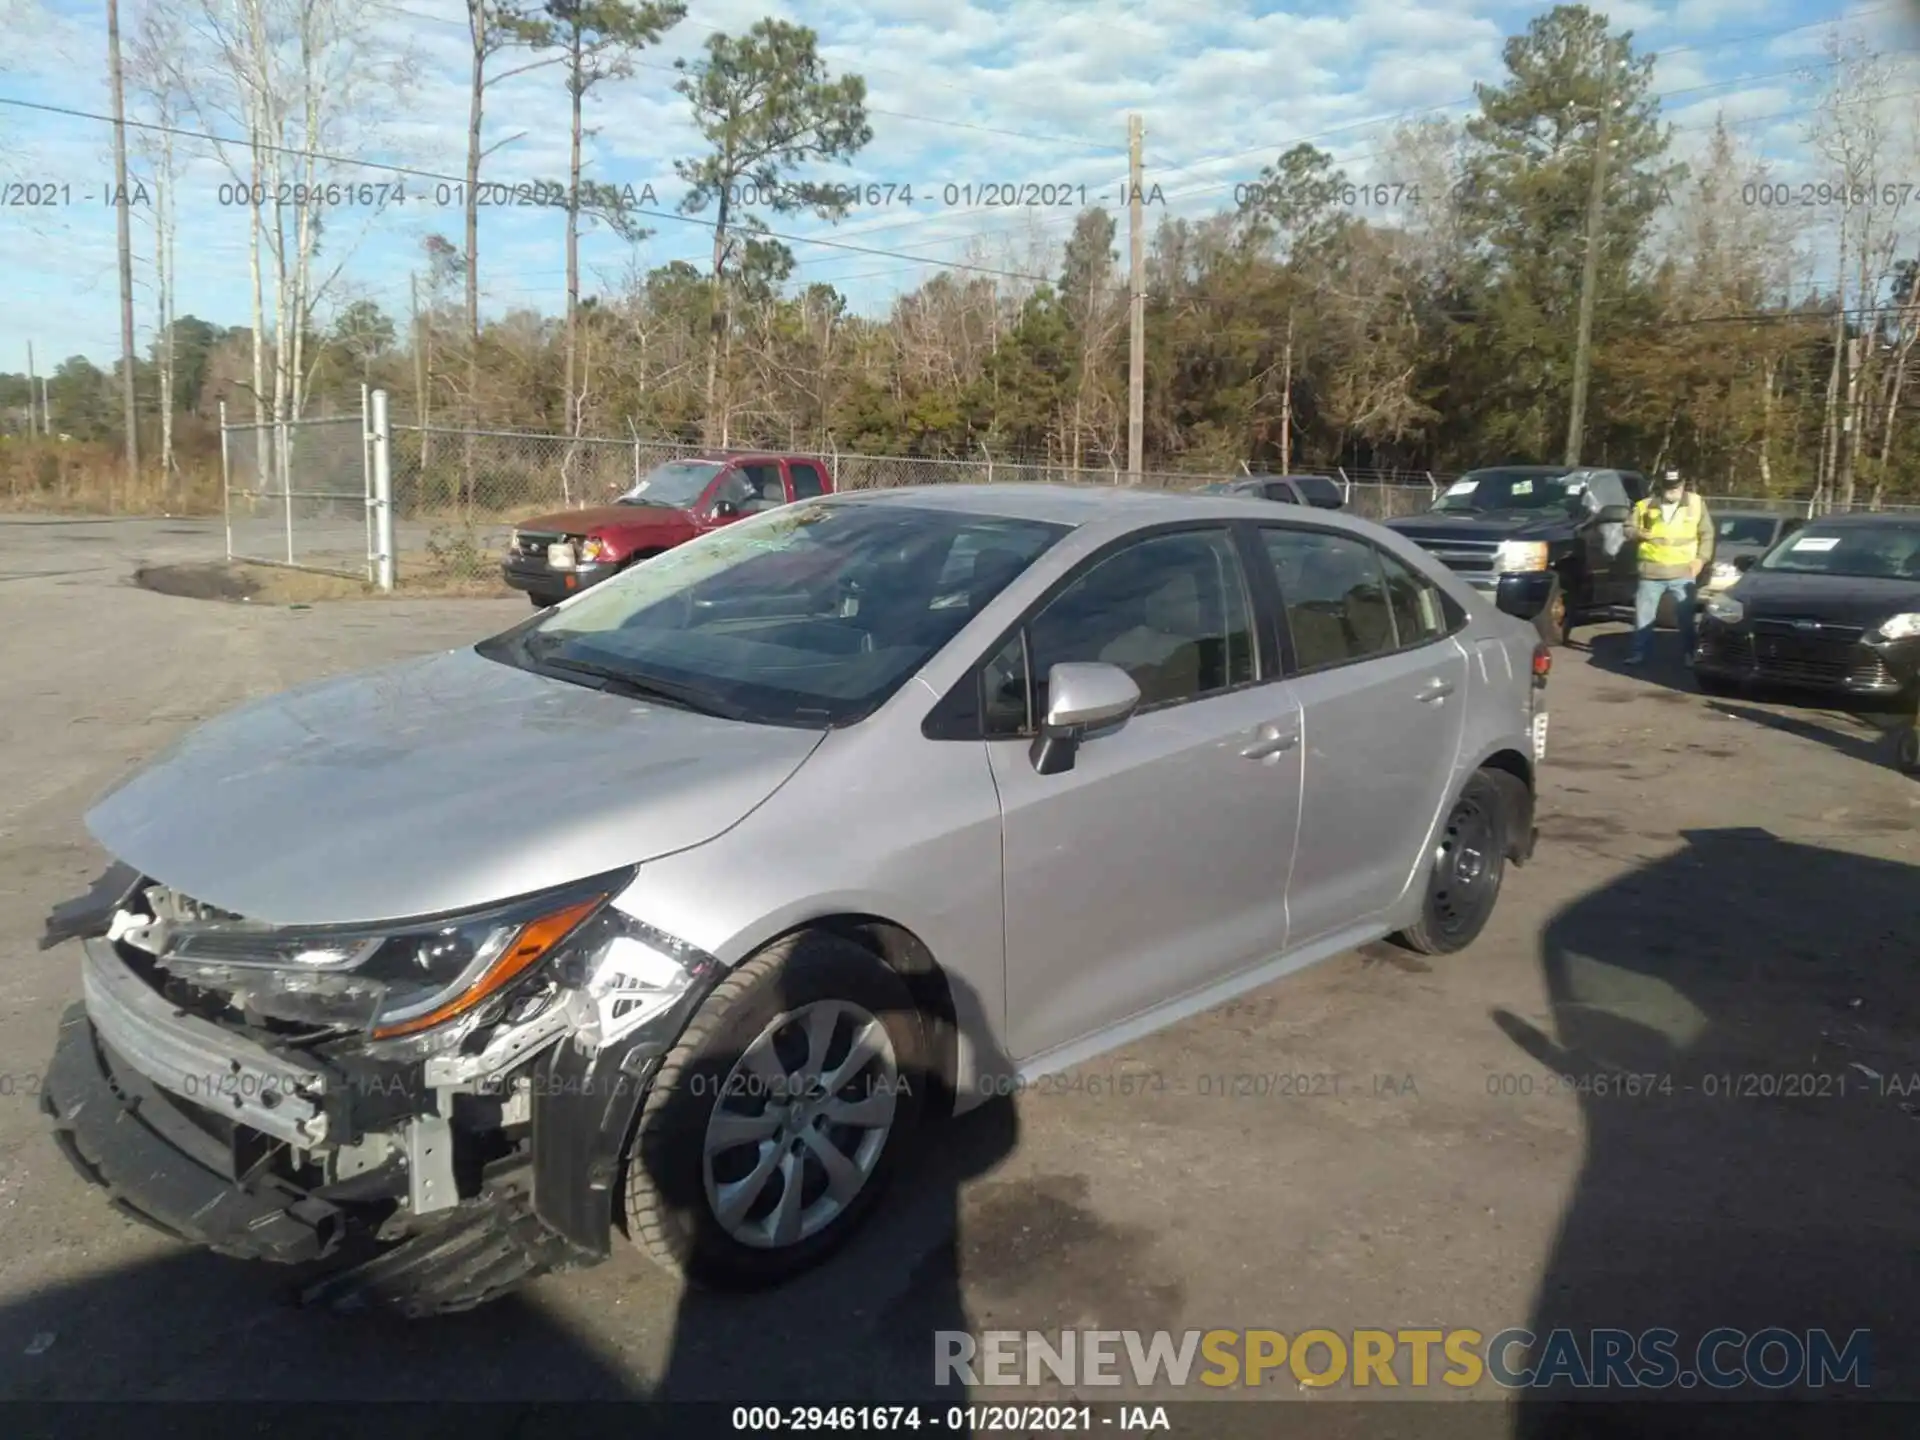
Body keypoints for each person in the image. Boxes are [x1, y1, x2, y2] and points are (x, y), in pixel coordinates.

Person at [1624, 469, 1712, 666]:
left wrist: (1701, 559)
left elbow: (1707, 534)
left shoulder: (1696, 503)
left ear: (1683, 485)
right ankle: (1638, 654)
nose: (1673, 491)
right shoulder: (1644, 506)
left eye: (1677, 487)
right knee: (1643, 616)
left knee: (1685, 618)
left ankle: (1690, 654)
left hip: (1683, 571)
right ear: (1661, 487)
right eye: (1669, 487)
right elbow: (1627, 529)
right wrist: (1638, 533)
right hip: (1651, 571)